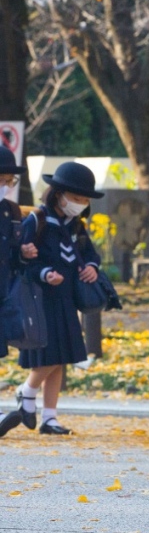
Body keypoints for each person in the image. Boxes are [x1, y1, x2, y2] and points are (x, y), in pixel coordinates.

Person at [14, 162, 104, 436]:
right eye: (76, 198)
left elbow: (91, 255)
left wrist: (92, 267)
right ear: (58, 194)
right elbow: (23, 261)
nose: (80, 204)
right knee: (50, 353)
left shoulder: (76, 225)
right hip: (41, 298)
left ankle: (49, 416)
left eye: (85, 200)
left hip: (66, 298)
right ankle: (27, 391)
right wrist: (44, 272)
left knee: (63, 355)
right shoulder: (38, 221)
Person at [0, 146, 34, 438]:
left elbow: (14, 251)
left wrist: (23, 251)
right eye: (2, 179)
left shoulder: (11, 210)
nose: (4, 185)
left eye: (8, 180)